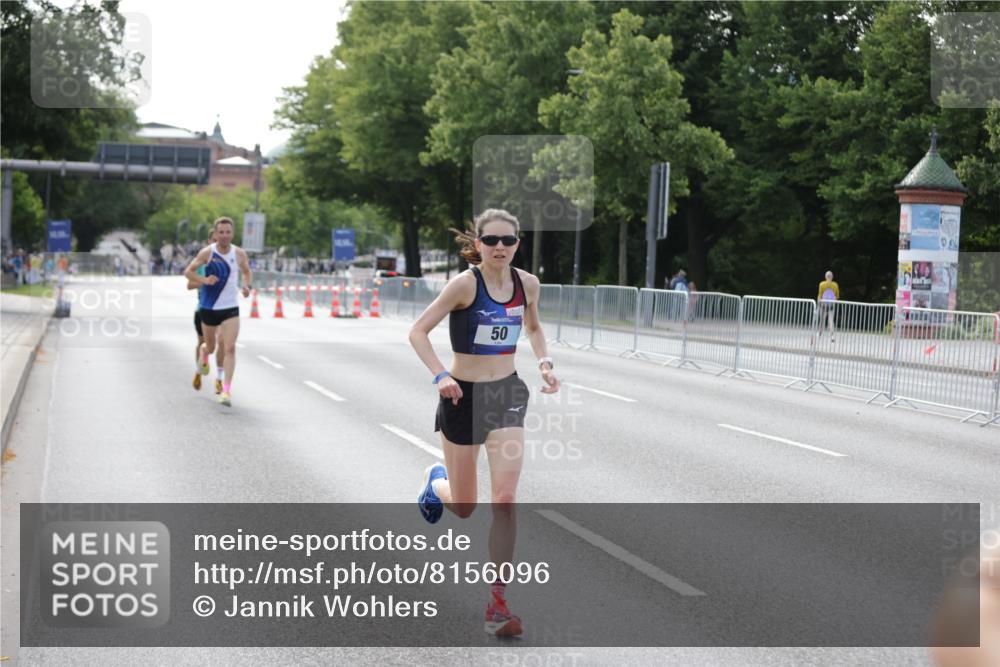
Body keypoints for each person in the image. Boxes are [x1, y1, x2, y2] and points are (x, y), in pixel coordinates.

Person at [408, 208, 560, 637]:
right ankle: (435, 485)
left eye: (507, 241)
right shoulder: (464, 285)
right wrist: (441, 376)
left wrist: (544, 362)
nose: (499, 247)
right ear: (477, 244)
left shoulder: (527, 284)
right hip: (463, 396)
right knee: (464, 505)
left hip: (507, 394)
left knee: (506, 499)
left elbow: (532, 327)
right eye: (490, 240)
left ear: (517, 243)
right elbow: (418, 331)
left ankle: (497, 604)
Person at [184, 217, 252, 407]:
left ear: (232, 233)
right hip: (208, 308)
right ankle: (204, 355)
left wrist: (247, 286)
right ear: (215, 234)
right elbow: (188, 272)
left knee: (230, 348)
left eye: (227, 232)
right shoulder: (207, 252)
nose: (224, 236)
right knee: (211, 346)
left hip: (230, 307)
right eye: (221, 232)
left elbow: (246, 272)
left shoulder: (239, 253)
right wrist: (205, 281)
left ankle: (226, 390)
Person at [187, 233, 225, 394]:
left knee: (222, 343)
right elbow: (189, 284)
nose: (218, 243)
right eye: (214, 240)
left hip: (223, 310)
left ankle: (220, 379)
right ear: (209, 242)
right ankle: (198, 372)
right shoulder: (203, 262)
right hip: (203, 309)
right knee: (204, 344)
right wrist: (205, 281)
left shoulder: (228, 260)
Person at [817, 270, 839, 342]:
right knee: (831, 321)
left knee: (822, 321)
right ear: (832, 277)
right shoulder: (835, 285)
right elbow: (837, 296)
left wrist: (818, 304)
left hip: (823, 305)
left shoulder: (821, 284)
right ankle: (832, 336)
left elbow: (820, 296)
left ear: (825, 277)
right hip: (831, 306)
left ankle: (819, 334)